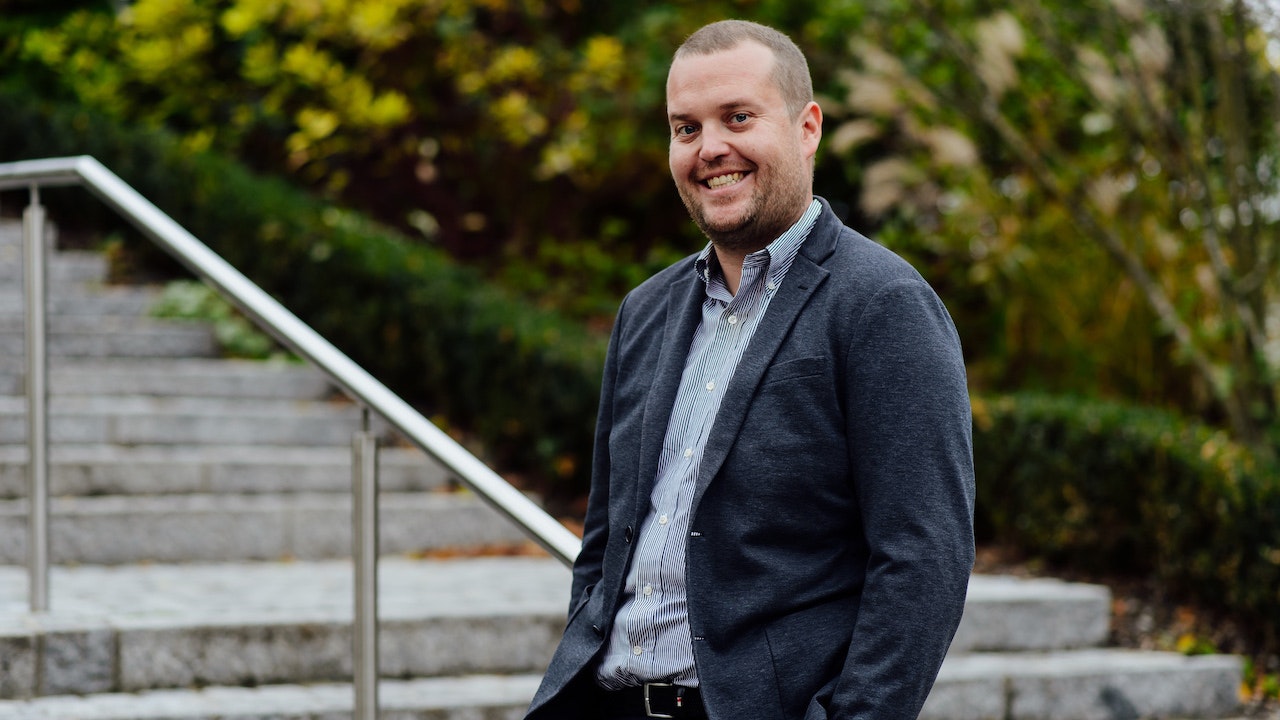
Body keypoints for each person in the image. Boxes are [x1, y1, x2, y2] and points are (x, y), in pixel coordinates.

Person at [525, 19, 975, 720]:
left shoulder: (884, 306)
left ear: (808, 127)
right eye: (685, 128)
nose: (711, 149)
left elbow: (924, 559)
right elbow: (606, 541)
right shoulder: (644, 312)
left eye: (738, 117)